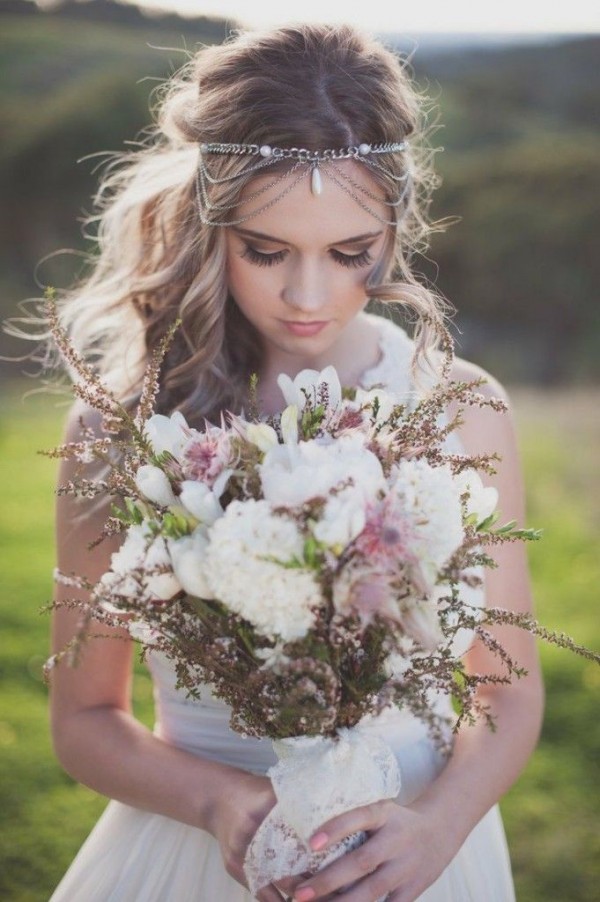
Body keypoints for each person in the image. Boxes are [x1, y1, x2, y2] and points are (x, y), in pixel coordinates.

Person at [44, 22, 543, 902]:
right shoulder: (123, 426)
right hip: (201, 854)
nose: (308, 296)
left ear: (396, 225)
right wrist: (219, 802)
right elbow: (84, 717)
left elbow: (507, 694)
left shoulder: (459, 406)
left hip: (415, 851)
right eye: (265, 252)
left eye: (351, 254)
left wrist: (439, 825)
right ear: (211, 225)